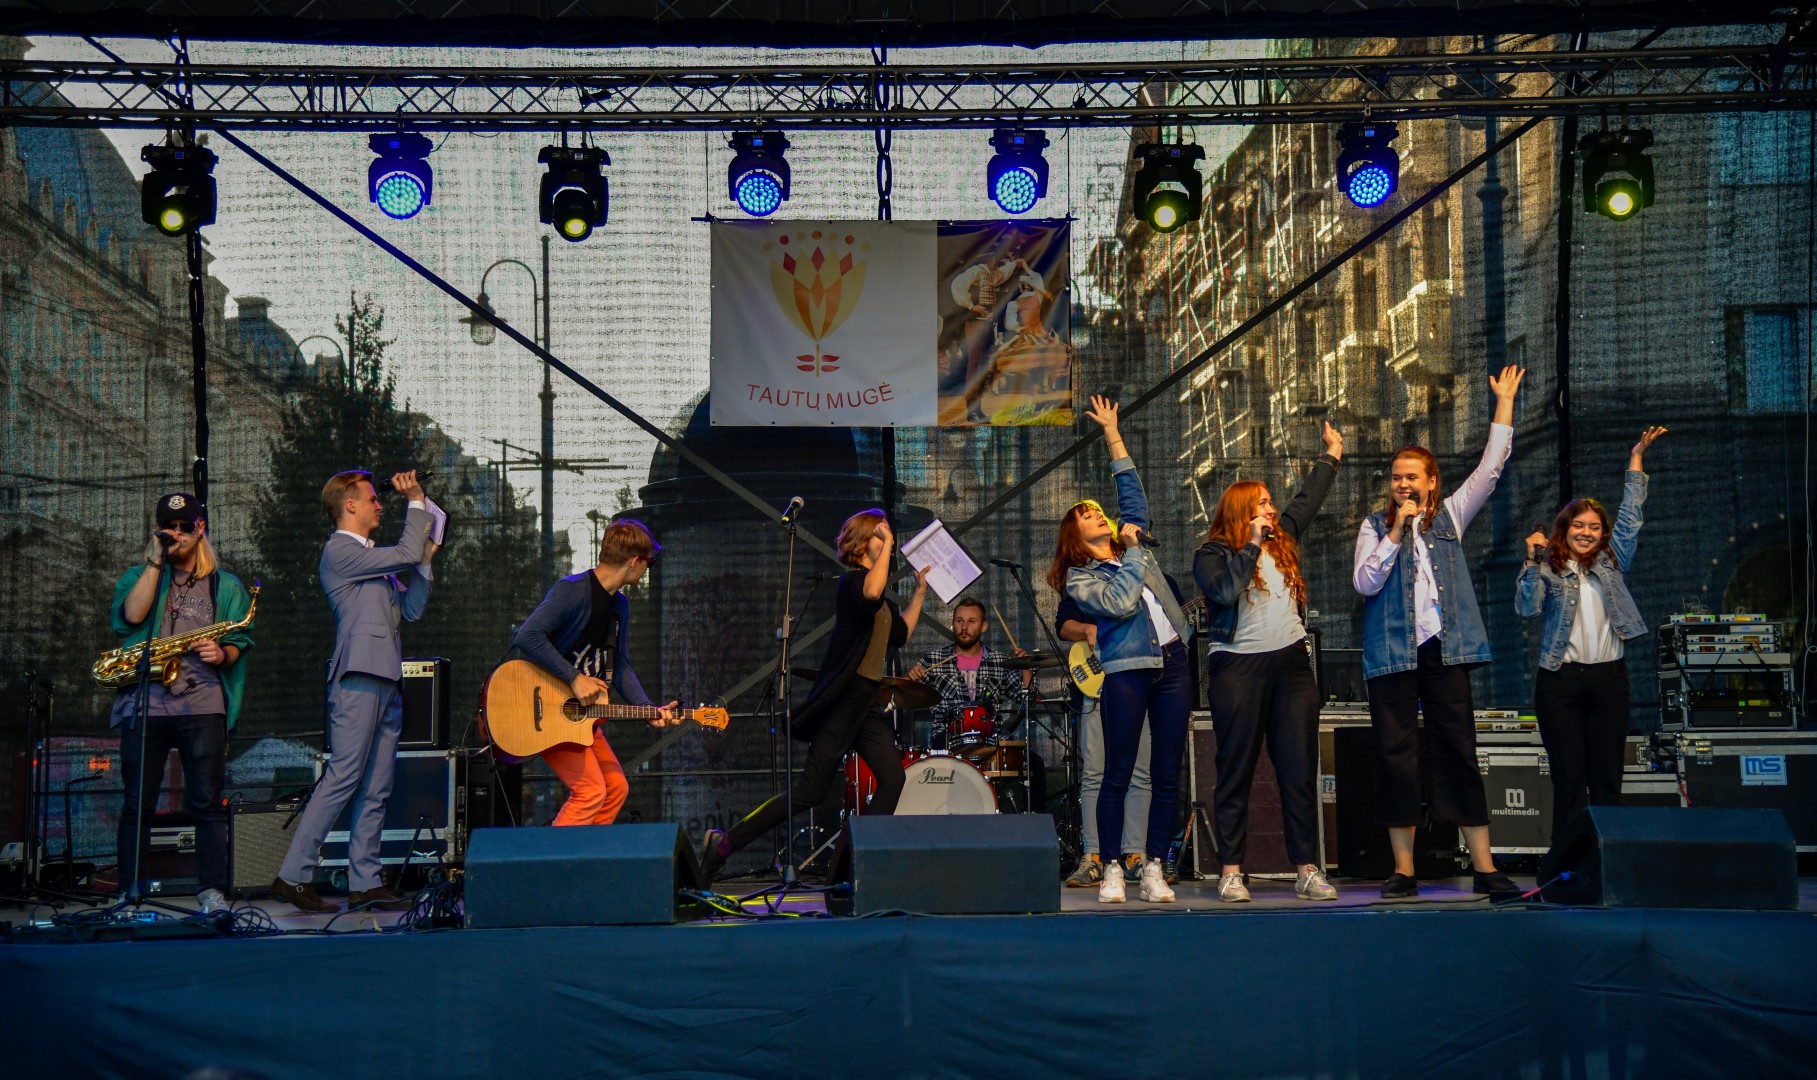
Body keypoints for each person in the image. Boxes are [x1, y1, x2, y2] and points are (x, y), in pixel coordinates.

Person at [1352, 366, 1526, 901]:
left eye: (1412, 477)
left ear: (1430, 482)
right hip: (1393, 656)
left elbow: (1491, 469)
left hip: (1445, 651)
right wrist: (1396, 530)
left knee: (1459, 752)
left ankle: (1485, 867)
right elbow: (1364, 582)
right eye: (1395, 477)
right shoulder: (1374, 527)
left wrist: (1503, 404)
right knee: (1396, 757)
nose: (1402, 484)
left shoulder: (1450, 515)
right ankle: (1404, 870)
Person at [700, 510, 929, 883]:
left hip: (867, 703)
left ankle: (854, 864)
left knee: (893, 780)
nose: (888, 540)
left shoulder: (881, 598)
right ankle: (724, 844)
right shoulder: (853, 584)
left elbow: (900, 632)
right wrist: (890, 543)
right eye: (881, 534)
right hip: (844, 701)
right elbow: (871, 593)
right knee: (810, 791)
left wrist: (919, 592)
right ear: (863, 542)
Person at [1049, 395, 1194, 904]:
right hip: (1127, 669)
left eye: (1098, 509)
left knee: (1167, 773)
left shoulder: (1134, 545)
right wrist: (1132, 553)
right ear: (1076, 534)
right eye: (1087, 514)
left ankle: (1152, 865)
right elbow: (1120, 601)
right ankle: (1110, 865)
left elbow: (1132, 495)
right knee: (1116, 772)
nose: (1098, 514)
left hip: (1173, 662)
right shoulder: (1081, 577)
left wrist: (1112, 432)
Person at [272, 470, 438, 913]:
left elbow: (412, 609)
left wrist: (424, 563)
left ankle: (365, 880)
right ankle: (293, 875)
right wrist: (416, 500)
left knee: (378, 785)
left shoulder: (374, 563)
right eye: (371, 498)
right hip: (359, 675)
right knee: (344, 775)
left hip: (387, 679)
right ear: (349, 505)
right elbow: (404, 550)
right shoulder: (339, 550)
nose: (379, 504)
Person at [1193, 422, 1344, 903]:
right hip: (1238, 667)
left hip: (1291, 666)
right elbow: (1223, 592)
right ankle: (1231, 872)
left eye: (1270, 502)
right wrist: (1252, 545)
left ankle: (1306, 869)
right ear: (1242, 511)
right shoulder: (1212, 554)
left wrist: (1332, 456)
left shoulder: (1284, 539)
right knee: (1235, 770)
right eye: (1262, 503)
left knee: (1298, 770)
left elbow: (1306, 502)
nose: (1272, 509)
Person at [1516, 427, 1666, 846]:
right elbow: (1527, 609)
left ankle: (1606, 859)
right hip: (1560, 681)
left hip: (1607, 680)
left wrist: (1636, 459)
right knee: (1568, 780)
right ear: (1564, 530)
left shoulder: (1612, 562)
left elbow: (1631, 516)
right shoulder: (1548, 569)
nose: (1586, 532)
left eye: (1594, 527)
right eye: (1578, 525)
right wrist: (1531, 562)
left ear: (1603, 534)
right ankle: (1567, 863)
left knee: (1606, 778)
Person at [111, 493, 255, 914]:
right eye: (167, 526)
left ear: (200, 529)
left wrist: (222, 653)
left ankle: (211, 891)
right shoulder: (139, 575)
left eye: (184, 526)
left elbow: (240, 641)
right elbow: (131, 617)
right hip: (146, 702)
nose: (175, 533)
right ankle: (129, 892)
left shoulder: (226, 585)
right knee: (137, 801)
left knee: (206, 802)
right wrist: (155, 562)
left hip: (202, 701)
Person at [511, 519, 680, 826]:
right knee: (590, 791)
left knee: (615, 788)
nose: (648, 569)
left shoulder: (620, 606)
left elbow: (621, 664)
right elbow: (527, 636)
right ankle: (553, 858)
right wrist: (574, 678)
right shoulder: (572, 591)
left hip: (580, 717)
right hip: (547, 711)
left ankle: (587, 852)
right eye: (650, 563)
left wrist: (647, 709)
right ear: (634, 561)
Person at [1055, 593, 1154, 889]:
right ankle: (1094, 857)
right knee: (1094, 773)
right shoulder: (1087, 582)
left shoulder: (1151, 584)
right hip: (1097, 686)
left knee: (1140, 773)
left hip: (1138, 684)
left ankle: (1135, 855)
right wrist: (1087, 629)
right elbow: (1063, 625)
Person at [906, 595, 1032, 749]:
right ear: (953, 624)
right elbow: (903, 694)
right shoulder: (933, 660)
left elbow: (1026, 700)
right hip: (947, 736)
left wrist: (1026, 668)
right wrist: (910, 678)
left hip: (990, 735)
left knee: (1032, 760)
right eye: (959, 621)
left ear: (984, 626)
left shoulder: (1001, 662)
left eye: (971, 621)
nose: (964, 627)